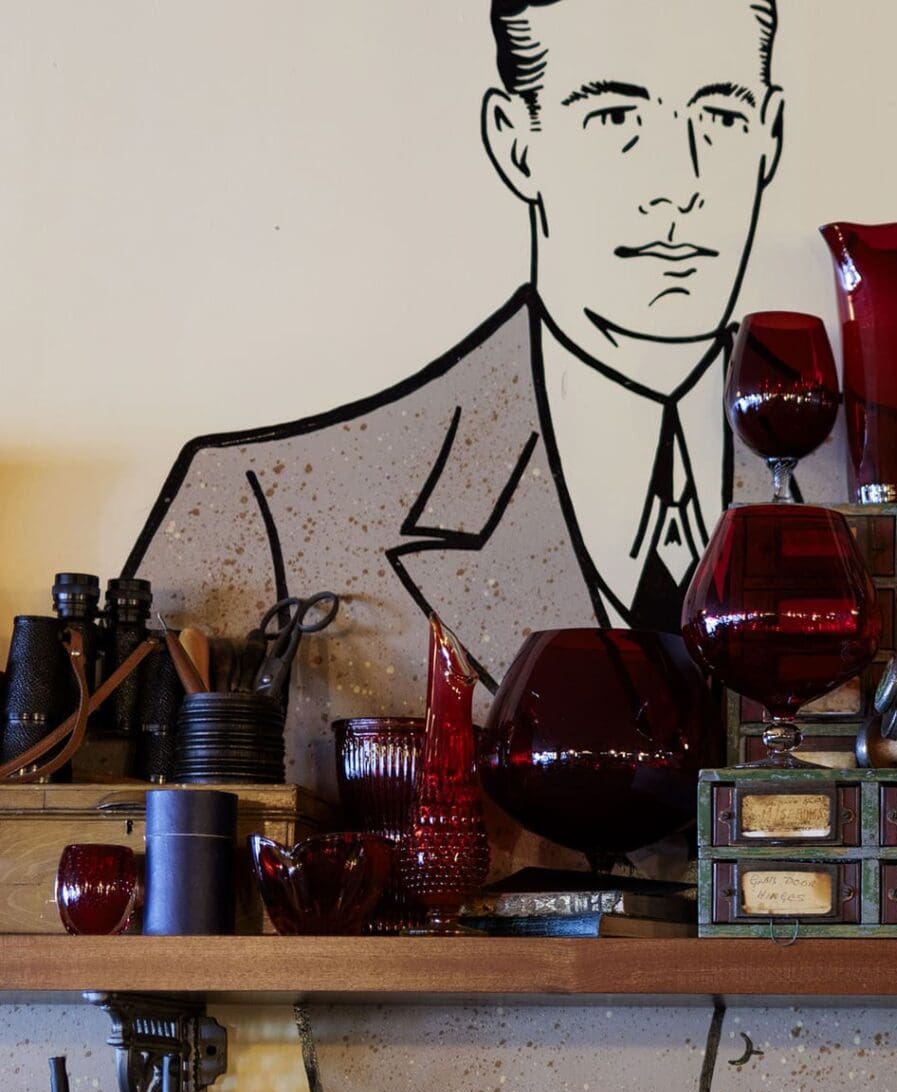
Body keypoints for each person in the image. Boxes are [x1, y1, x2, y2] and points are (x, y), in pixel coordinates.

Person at [120, 0, 801, 781]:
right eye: (616, 118)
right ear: (516, 142)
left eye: (720, 117)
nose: (679, 186)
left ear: (770, 136)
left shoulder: (872, 517)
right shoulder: (259, 505)